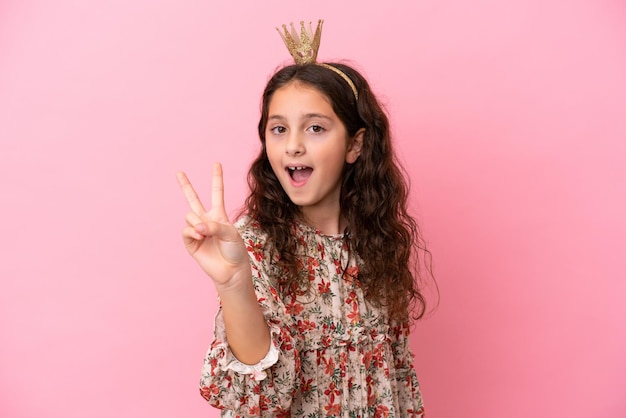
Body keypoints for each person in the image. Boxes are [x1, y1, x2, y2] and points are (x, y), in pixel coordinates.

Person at [177, 20, 431, 417]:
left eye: (315, 128)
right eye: (278, 129)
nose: (293, 146)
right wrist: (235, 283)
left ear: (355, 144)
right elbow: (259, 401)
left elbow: (398, 378)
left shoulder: (377, 240)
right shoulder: (250, 244)